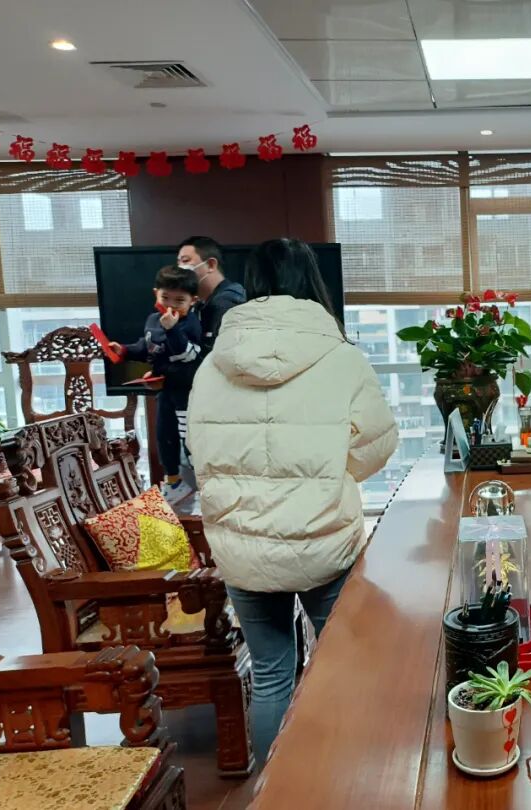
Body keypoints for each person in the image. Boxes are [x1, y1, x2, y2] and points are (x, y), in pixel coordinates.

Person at [187, 238, 398, 766]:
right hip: (323, 539)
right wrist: (331, 477)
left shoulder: (213, 365)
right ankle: (341, 780)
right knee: (340, 666)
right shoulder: (342, 358)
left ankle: (278, 791)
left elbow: (199, 451)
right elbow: (376, 445)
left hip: (243, 547)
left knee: (271, 675)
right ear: (311, 282)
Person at [107, 265, 201, 505]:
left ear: (193, 301)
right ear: (155, 294)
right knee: (163, 436)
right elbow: (147, 346)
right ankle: (174, 483)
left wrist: (172, 329)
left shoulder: (190, 323)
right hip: (164, 391)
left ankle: (200, 483)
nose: (171, 306)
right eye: (165, 298)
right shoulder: (153, 319)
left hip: (186, 393)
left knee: (189, 439)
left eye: (179, 301)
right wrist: (125, 351)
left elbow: (187, 354)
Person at [177, 236, 246, 354]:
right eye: (178, 262)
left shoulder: (227, 303)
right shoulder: (198, 303)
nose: (179, 268)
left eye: (185, 261)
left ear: (211, 265)